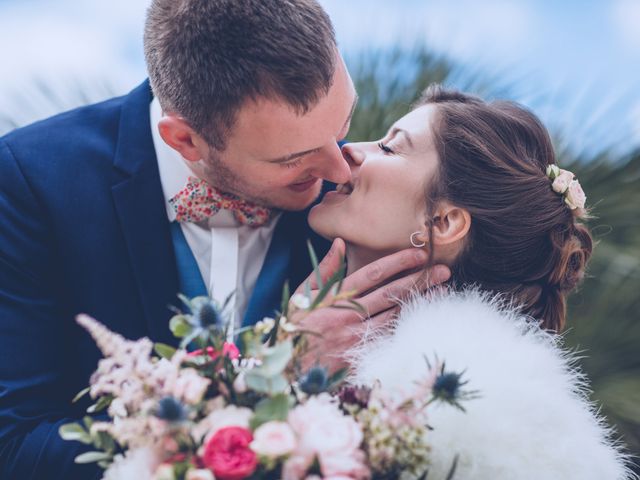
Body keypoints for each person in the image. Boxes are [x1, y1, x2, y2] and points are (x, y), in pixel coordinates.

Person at [0, 1, 448, 479]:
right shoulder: (35, 182)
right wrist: (275, 372)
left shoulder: (367, 212)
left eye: (340, 126)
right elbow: (16, 445)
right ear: (185, 141)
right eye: (292, 158)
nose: (340, 169)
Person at [307, 85, 633, 478]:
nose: (349, 148)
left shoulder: (453, 403)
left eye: (390, 148)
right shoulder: (304, 311)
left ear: (442, 222)